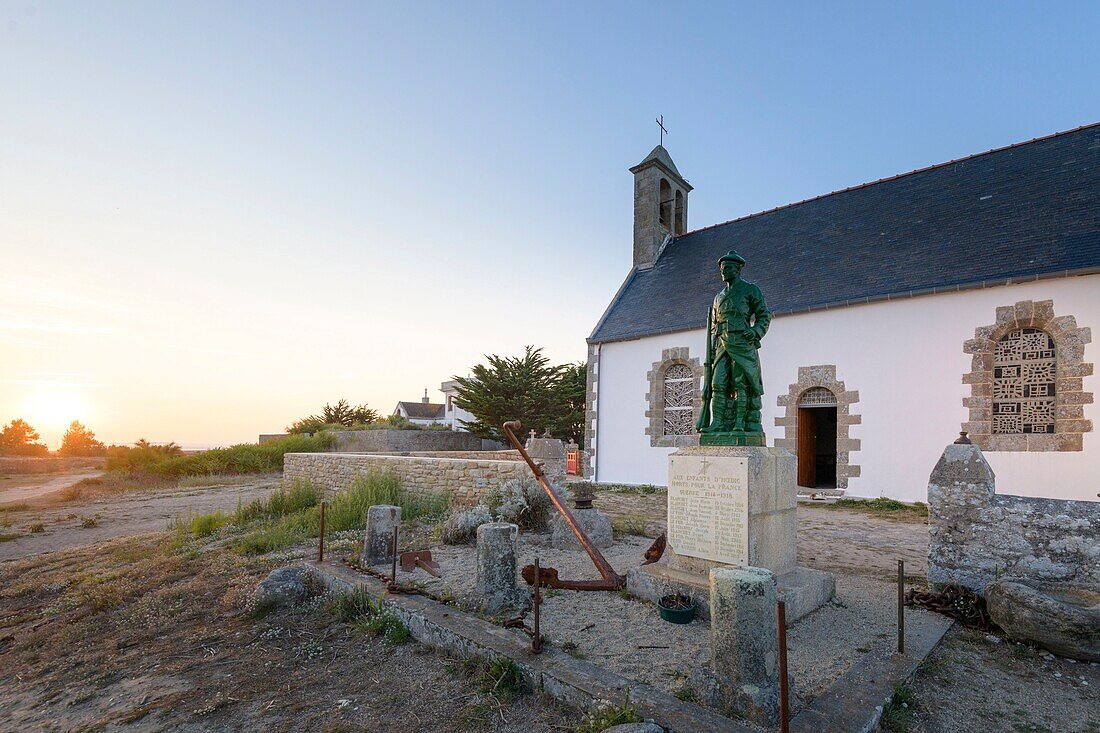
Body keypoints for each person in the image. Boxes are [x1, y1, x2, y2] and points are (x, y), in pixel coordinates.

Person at [697, 250, 772, 437]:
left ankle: (740, 423)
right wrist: (712, 349)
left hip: (741, 343)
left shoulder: (750, 290)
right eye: (722, 268)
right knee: (718, 383)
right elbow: (715, 325)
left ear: (738, 269)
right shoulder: (718, 296)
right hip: (722, 344)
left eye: (728, 268)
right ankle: (718, 424)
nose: (724, 272)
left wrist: (755, 331)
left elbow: (763, 315)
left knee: (741, 383)